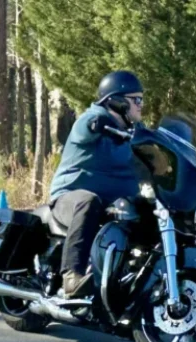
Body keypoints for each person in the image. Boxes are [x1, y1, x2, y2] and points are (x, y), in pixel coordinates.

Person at [48, 70, 146, 298]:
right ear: (118, 101)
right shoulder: (94, 120)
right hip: (69, 197)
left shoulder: (134, 132)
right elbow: (86, 126)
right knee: (88, 200)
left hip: (113, 202)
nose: (141, 106)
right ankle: (72, 276)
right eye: (136, 100)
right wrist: (98, 122)